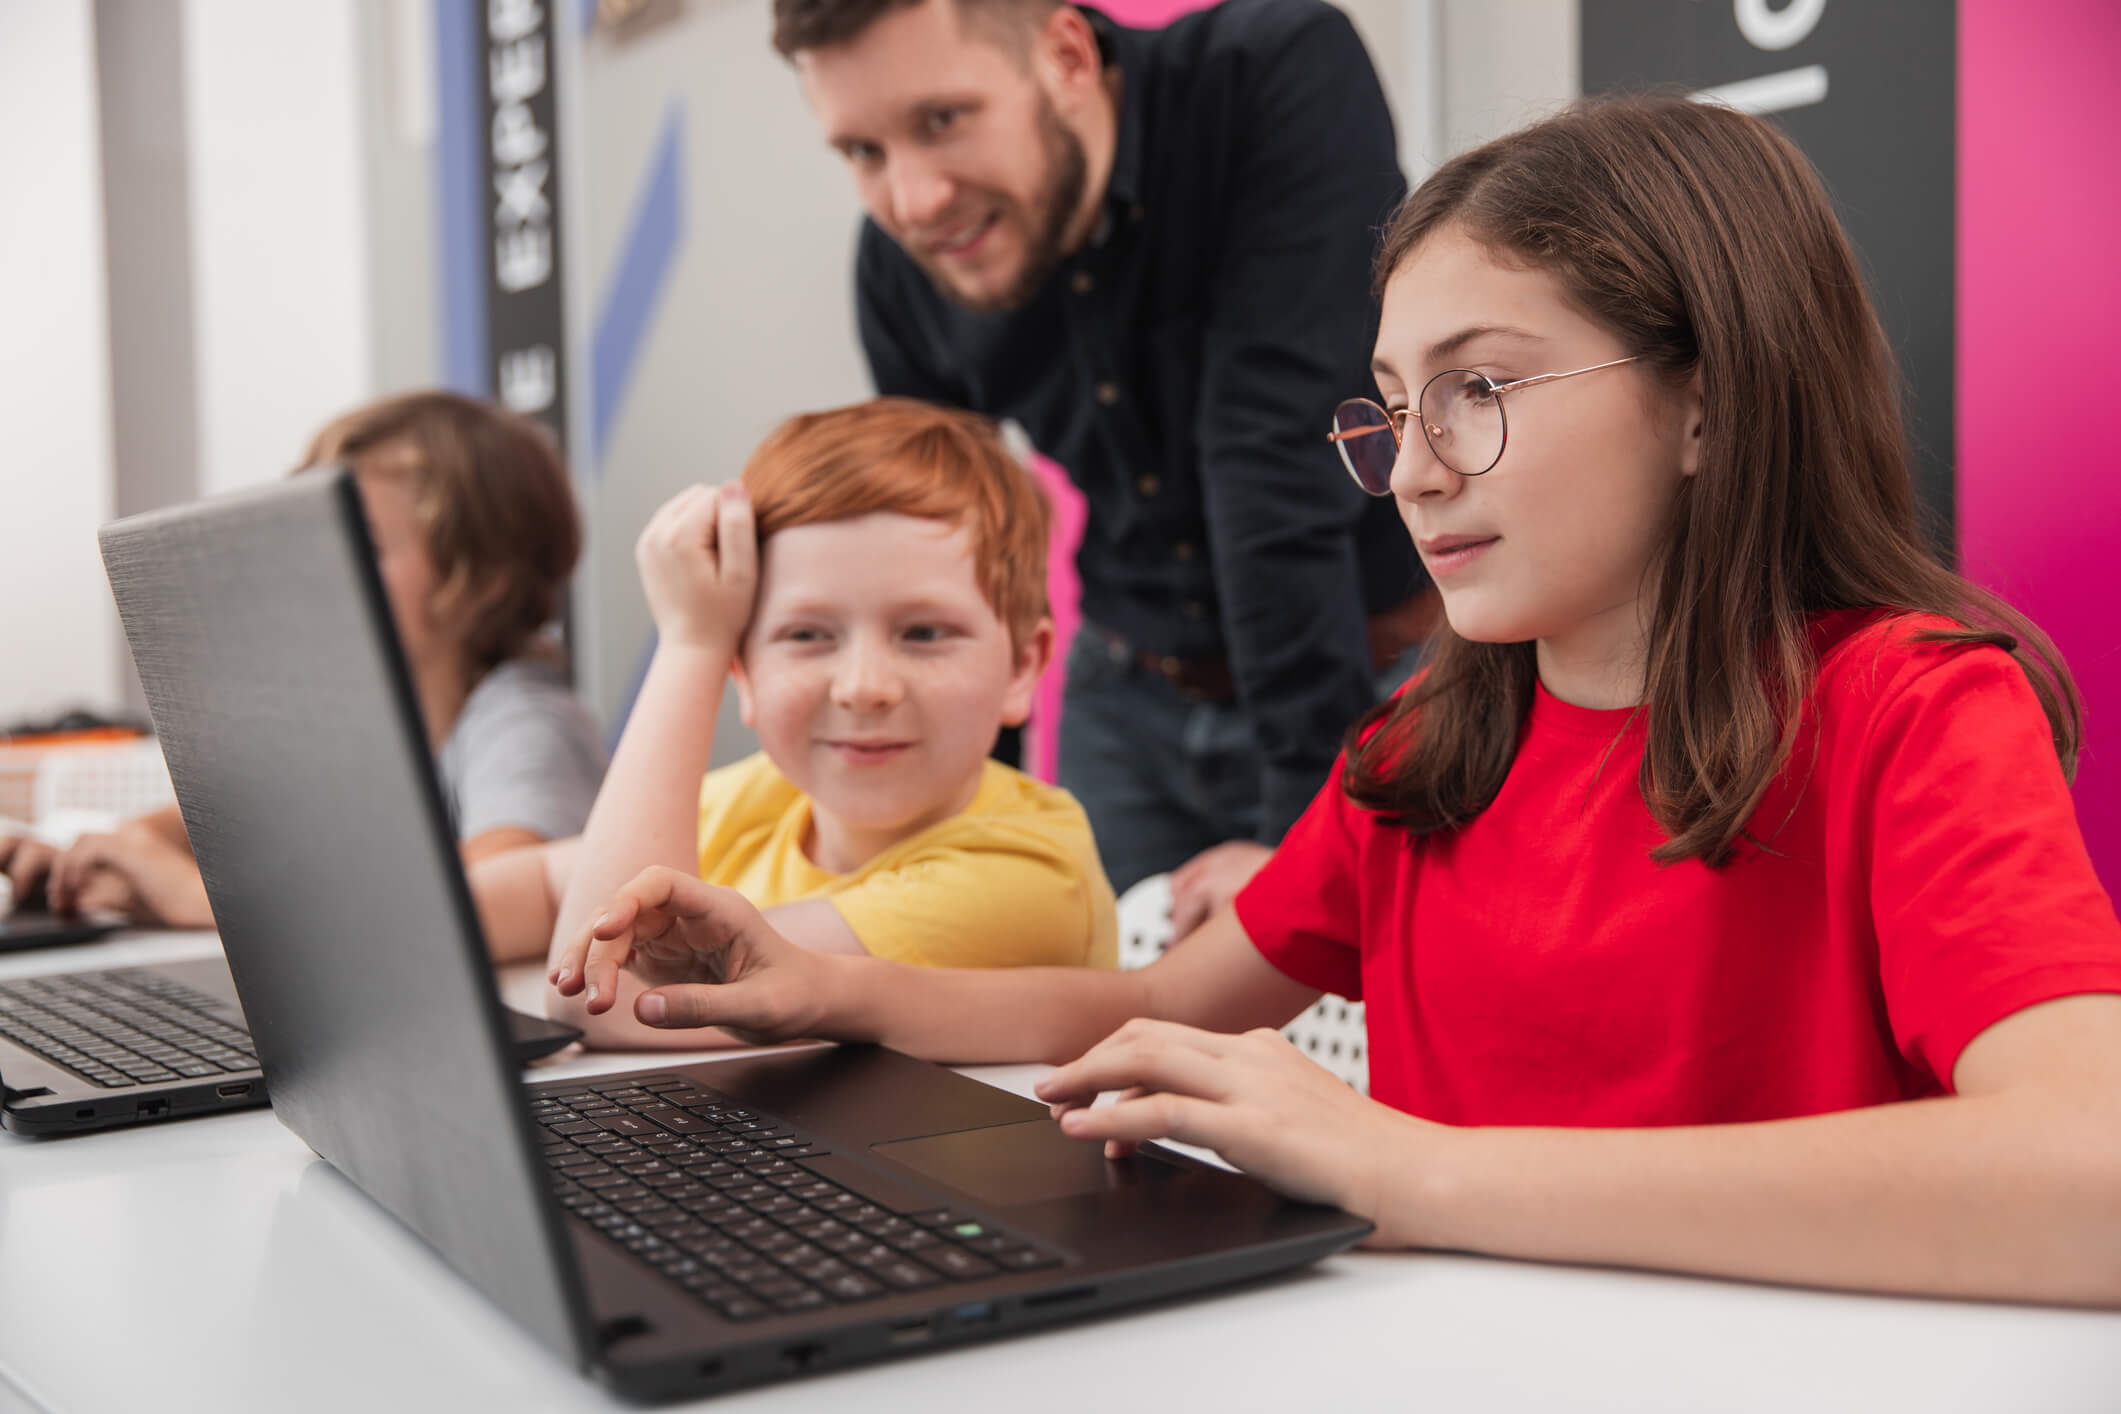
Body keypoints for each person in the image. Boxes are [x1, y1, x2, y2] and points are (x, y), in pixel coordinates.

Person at [550, 96, 2121, 1304]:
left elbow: (2091, 1173)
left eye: (1479, 391)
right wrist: (833, 991)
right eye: (1389, 410)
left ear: (1704, 396)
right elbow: (1155, 1005)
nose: (1414, 469)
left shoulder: (1910, 713)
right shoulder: (1427, 745)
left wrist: (1417, 1171)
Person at [775, 0, 1435, 908]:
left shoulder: (1273, 76)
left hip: (1370, 683)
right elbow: (943, 555)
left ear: (1068, 57)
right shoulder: (897, 265)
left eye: (942, 121)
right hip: (1124, 700)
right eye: (862, 153)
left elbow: (1272, 472)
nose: (914, 200)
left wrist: (1303, 836)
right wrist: (952, 849)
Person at [505, 398, 1116, 1047]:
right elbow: (542, 886)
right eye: (807, 635)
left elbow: (612, 997)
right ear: (746, 672)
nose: (863, 688)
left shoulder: (1025, 877)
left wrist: (690, 644)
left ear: (1023, 669)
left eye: (924, 633)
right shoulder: (765, 796)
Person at [0, 392, 606, 940]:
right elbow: (209, 822)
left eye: (360, 542)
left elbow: (479, 909)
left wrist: (195, 897)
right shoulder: (367, 718)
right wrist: (86, 859)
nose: (319, 568)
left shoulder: (526, 722)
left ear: (483, 582)